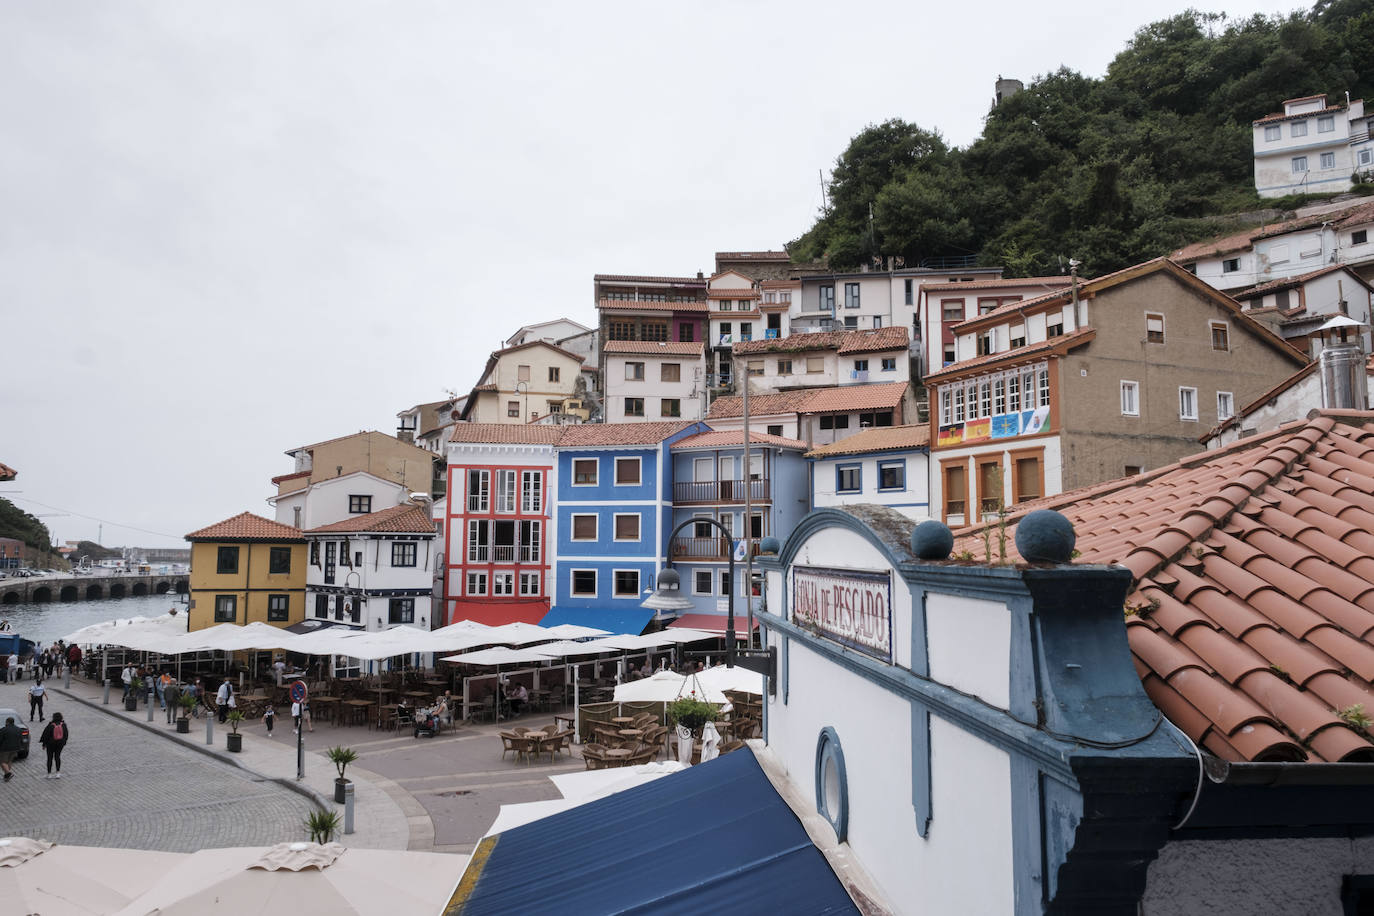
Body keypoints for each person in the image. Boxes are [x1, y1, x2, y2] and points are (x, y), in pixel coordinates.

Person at [39, 713, 67, 779]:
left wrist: (44, 744)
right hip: (60, 743)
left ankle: (49, 774)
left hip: (51, 744)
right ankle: (58, 773)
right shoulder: (63, 725)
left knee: (49, 758)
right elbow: (66, 734)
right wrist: (64, 742)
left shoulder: (50, 725)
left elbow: (45, 735)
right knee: (57, 757)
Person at [0, 717, 24, 781]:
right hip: (16, 748)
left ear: (7, 722)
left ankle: (8, 773)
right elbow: (21, 739)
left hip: (5, 749)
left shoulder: (4, 730)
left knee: (2, 762)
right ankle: (6, 776)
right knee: (9, 761)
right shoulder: (18, 729)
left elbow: (0, 739)